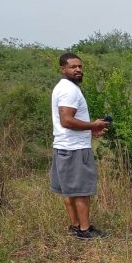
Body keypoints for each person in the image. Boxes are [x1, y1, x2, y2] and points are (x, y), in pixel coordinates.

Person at [50, 52, 110, 240]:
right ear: (63, 69)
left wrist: (90, 130)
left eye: (80, 67)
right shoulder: (69, 90)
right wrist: (93, 125)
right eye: (73, 67)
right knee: (81, 191)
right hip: (74, 148)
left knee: (68, 189)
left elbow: (67, 122)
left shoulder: (63, 87)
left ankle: (76, 226)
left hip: (64, 145)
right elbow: (67, 120)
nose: (78, 70)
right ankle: (85, 230)